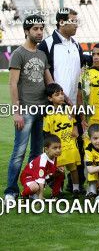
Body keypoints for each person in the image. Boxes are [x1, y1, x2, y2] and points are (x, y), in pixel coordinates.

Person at [5, 15, 53, 202]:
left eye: (41, 28)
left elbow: (49, 82)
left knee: (36, 153)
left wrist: (61, 99)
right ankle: (10, 191)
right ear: (26, 31)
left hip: (42, 110)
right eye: (35, 29)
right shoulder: (18, 54)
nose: (39, 32)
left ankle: (32, 189)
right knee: (19, 152)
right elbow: (12, 84)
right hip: (25, 110)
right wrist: (16, 112)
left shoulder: (42, 54)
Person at [43, 83, 80, 198]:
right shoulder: (48, 114)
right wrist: (48, 149)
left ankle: (76, 189)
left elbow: (74, 122)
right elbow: (46, 133)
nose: (61, 96)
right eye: (57, 95)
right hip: (57, 149)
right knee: (59, 171)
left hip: (70, 145)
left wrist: (75, 129)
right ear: (50, 98)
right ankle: (57, 190)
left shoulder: (69, 109)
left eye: (62, 94)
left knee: (73, 169)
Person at [20, 135, 63, 199]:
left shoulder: (53, 156)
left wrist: (57, 169)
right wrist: (41, 196)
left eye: (59, 147)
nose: (58, 150)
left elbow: (50, 169)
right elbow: (41, 180)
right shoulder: (42, 161)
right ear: (46, 149)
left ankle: (55, 195)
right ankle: (23, 194)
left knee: (60, 173)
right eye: (55, 148)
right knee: (35, 187)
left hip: (40, 176)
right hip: (29, 177)